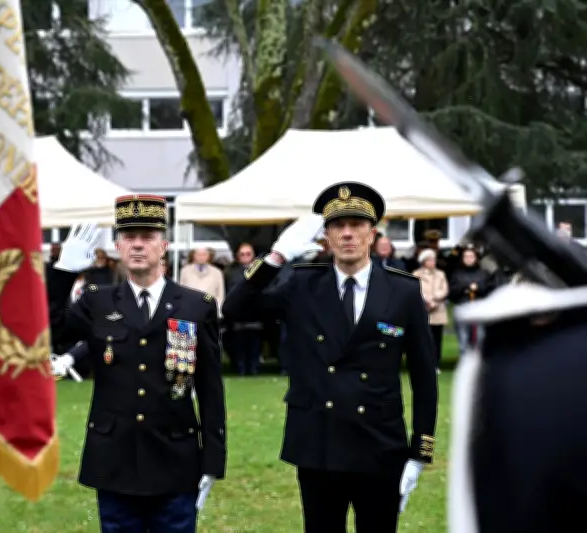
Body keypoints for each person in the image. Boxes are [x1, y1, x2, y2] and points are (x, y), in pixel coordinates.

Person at [223, 181, 438, 533]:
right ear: (326, 237)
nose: (348, 234)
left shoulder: (403, 290)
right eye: (339, 226)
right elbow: (234, 307)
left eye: (357, 226)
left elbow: (424, 376)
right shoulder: (302, 285)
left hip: (380, 444)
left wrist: (420, 451)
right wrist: (276, 257)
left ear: (372, 234)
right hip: (319, 443)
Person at [48, 194, 227, 533]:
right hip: (115, 457)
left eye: (147, 237)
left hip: (175, 456)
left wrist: (213, 460)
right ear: (117, 246)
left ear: (164, 246)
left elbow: (210, 389)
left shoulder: (194, 306)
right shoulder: (97, 302)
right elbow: (50, 327)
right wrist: (61, 273)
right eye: (130, 237)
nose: (138, 245)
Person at [448, 280, 587, 533]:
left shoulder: (510, 378)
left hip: (385, 449)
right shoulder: (494, 374)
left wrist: (421, 451)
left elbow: (423, 380)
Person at [412, 249, 449, 371]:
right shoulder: (416, 274)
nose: (433, 262)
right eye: (429, 260)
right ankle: (423, 364)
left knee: (437, 340)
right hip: (423, 311)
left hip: (438, 311)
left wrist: (435, 299)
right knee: (423, 340)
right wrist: (426, 300)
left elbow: (444, 289)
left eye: (434, 259)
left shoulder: (441, 274)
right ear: (424, 261)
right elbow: (415, 290)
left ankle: (435, 364)